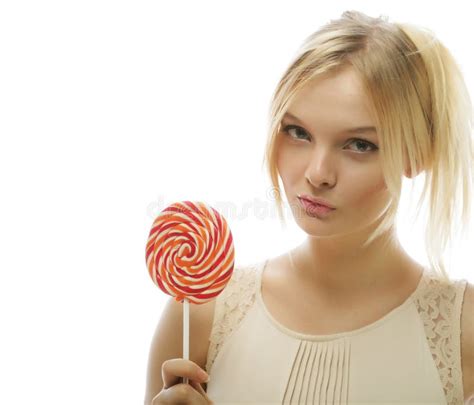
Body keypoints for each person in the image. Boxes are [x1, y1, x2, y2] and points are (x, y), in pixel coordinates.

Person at [144, 10, 474, 404]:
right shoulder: (200, 314)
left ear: (417, 155)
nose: (318, 174)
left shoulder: (462, 333)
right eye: (298, 132)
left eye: (359, 145)